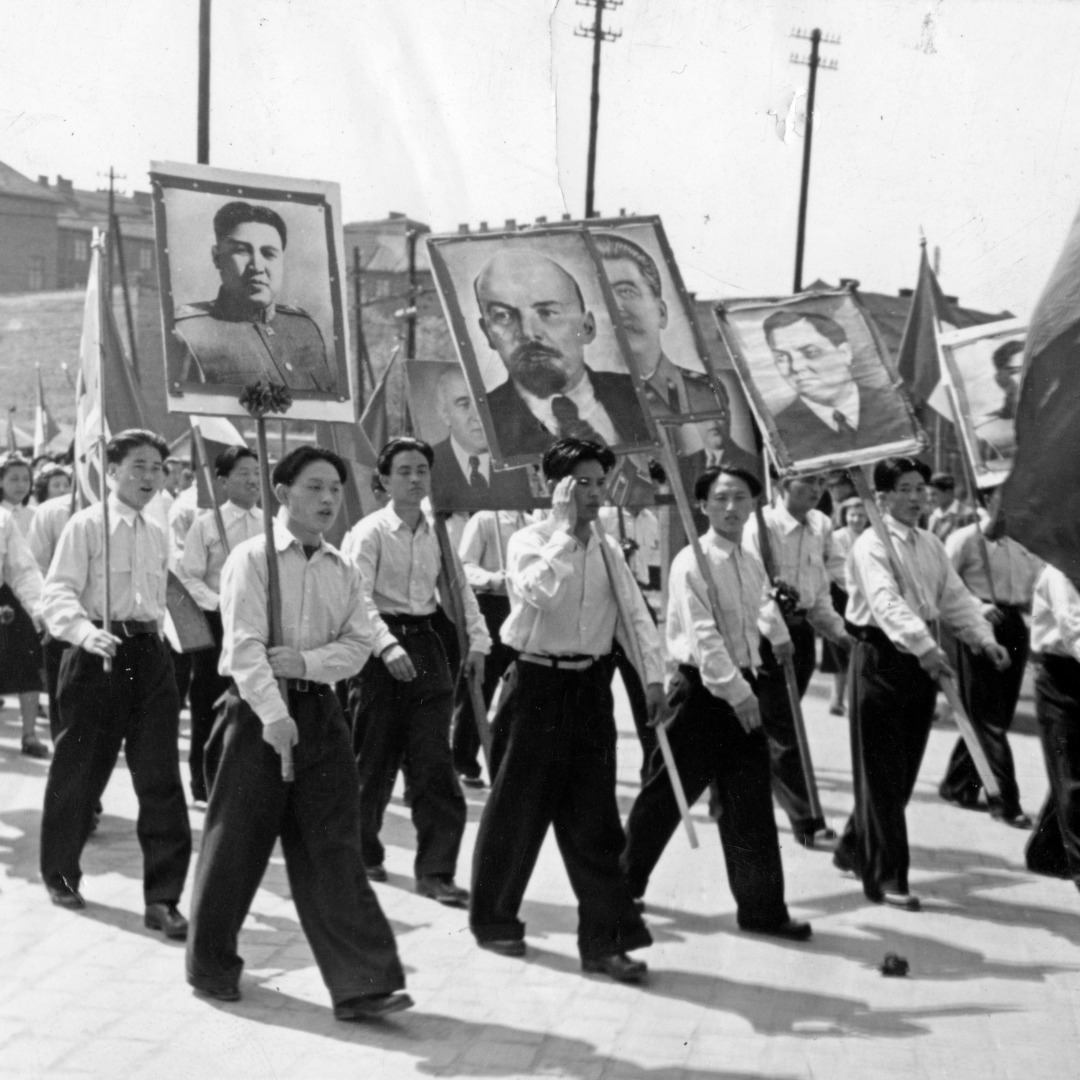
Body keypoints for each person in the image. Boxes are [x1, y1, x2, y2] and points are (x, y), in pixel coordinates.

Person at [186, 446, 410, 1019]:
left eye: (335, 488)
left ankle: (363, 983)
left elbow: (359, 645)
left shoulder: (342, 566)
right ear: (281, 494)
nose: (329, 499)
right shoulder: (252, 558)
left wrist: (307, 664)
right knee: (238, 842)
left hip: (320, 713)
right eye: (314, 487)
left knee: (333, 846)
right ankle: (210, 965)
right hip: (256, 715)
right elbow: (243, 647)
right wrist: (273, 713)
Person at [469, 438, 661, 982]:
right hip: (534, 686)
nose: (594, 493)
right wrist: (565, 534)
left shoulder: (608, 548)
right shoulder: (529, 540)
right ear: (551, 486)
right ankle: (494, 919)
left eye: (600, 482)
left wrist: (652, 679)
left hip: (590, 690)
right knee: (516, 811)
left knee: (595, 821)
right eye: (582, 482)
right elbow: (538, 595)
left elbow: (633, 618)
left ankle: (605, 943)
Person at [622, 466, 811, 941]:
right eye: (721, 498)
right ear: (702, 505)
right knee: (667, 798)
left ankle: (762, 908)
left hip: (741, 687)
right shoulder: (692, 562)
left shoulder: (749, 558)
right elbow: (704, 640)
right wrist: (740, 694)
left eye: (741, 498)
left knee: (749, 802)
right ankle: (620, 885)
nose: (731, 508)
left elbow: (758, 611)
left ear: (753, 505)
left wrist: (780, 635)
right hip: (703, 694)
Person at [833, 457, 1008, 909]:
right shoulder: (871, 544)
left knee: (902, 773)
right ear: (883, 496)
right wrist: (925, 647)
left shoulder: (930, 543)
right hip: (881, 658)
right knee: (882, 773)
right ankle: (887, 876)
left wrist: (982, 639)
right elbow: (887, 605)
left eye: (920, 489)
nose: (916, 498)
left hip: (922, 663)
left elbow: (953, 598)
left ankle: (855, 846)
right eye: (905, 489)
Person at [39, 429, 192, 932]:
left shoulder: (157, 528)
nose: (150, 477)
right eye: (139, 467)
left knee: (161, 778)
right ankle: (61, 873)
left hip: (149, 656)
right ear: (111, 471)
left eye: (157, 467)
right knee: (80, 771)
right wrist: (85, 633)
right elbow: (57, 593)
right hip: (97, 655)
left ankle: (163, 898)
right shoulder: (87, 526)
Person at [343, 437, 490, 904]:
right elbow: (356, 598)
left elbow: (459, 589)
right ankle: (362, 853)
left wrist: (479, 640)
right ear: (384, 480)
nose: (413, 479)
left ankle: (436, 870)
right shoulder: (369, 532)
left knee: (433, 762)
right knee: (373, 759)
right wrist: (385, 646)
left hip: (427, 644)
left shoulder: (440, 532)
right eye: (403, 471)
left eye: (421, 470)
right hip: (376, 651)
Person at [744, 473, 853, 845]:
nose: (817, 487)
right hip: (765, 637)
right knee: (785, 730)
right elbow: (755, 587)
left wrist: (837, 631)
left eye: (822, 480)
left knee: (767, 725)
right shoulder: (760, 524)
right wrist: (776, 634)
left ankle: (722, 789)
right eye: (807, 480)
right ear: (781, 484)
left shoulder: (819, 524)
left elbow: (817, 588)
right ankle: (808, 822)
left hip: (801, 633)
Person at [474, 248, 652, 458]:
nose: (529, 333)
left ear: (587, 327)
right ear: (487, 333)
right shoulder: (480, 421)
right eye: (503, 316)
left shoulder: (643, 396)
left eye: (547, 312)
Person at [938, 493, 1041, 826]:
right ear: (986, 501)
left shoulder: (1022, 545)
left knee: (998, 715)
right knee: (988, 719)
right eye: (1003, 499)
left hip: (1013, 626)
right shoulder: (964, 539)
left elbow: (1036, 588)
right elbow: (943, 585)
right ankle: (1005, 801)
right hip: (975, 625)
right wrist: (977, 606)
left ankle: (957, 785)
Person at [171, 200, 336, 393]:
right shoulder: (186, 332)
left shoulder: (305, 329)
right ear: (217, 257)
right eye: (241, 251)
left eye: (269, 254)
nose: (257, 266)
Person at [176, 446, 264, 804]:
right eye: (243, 473)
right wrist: (220, 604)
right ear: (223, 481)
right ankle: (203, 782)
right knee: (208, 703)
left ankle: (248, 782)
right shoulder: (207, 524)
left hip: (257, 623)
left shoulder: (270, 524)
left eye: (257, 472)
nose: (252, 480)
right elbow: (189, 577)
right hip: (215, 624)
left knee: (254, 702)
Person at [763, 309, 910, 460]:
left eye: (811, 352)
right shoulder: (779, 431)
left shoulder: (895, 409)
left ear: (845, 353)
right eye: (781, 358)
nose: (796, 367)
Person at [452, 509, 530, 788]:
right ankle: (463, 761)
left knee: (517, 690)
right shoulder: (485, 519)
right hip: (491, 607)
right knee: (479, 689)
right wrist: (491, 578)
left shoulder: (532, 522)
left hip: (520, 609)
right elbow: (463, 566)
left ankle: (501, 759)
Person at [1024, 564, 1080, 889]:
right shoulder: (1062, 571)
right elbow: (1074, 628)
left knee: (1070, 770)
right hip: (1061, 679)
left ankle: (1047, 852)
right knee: (1072, 778)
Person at [429, 365, 535, 510]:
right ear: (445, 414)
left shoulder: (521, 461)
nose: (478, 416)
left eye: (483, 403)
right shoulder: (428, 463)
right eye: (464, 404)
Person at [0, 453, 48, 757]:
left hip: (14, 599)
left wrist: (41, 610)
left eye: (24, 478)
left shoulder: (8, 520)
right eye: (12, 478)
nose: (19, 484)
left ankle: (29, 734)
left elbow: (24, 569)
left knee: (27, 664)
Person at [27, 484, 74, 742]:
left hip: (115, 623)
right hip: (63, 618)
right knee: (62, 697)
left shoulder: (141, 512)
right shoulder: (52, 511)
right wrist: (44, 612)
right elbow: (36, 569)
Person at [820, 496, 868, 715]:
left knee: (855, 649)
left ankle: (841, 700)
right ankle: (839, 700)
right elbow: (836, 567)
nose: (857, 519)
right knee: (841, 649)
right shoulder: (839, 537)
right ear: (844, 516)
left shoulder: (870, 536)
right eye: (852, 515)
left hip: (864, 595)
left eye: (861, 515)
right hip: (841, 595)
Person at [927, 473, 978, 542]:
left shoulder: (968, 515)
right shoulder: (933, 518)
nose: (930, 499)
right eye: (928, 495)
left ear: (948, 493)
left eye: (934, 494)